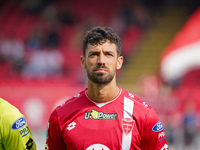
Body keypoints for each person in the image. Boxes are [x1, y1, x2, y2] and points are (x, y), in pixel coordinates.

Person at [45, 26, 168, 150]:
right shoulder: (60, 117)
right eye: (94, 54)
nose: (101, 61)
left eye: (108, 54)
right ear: (83, 62)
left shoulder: (144, 116)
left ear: (119, 62)